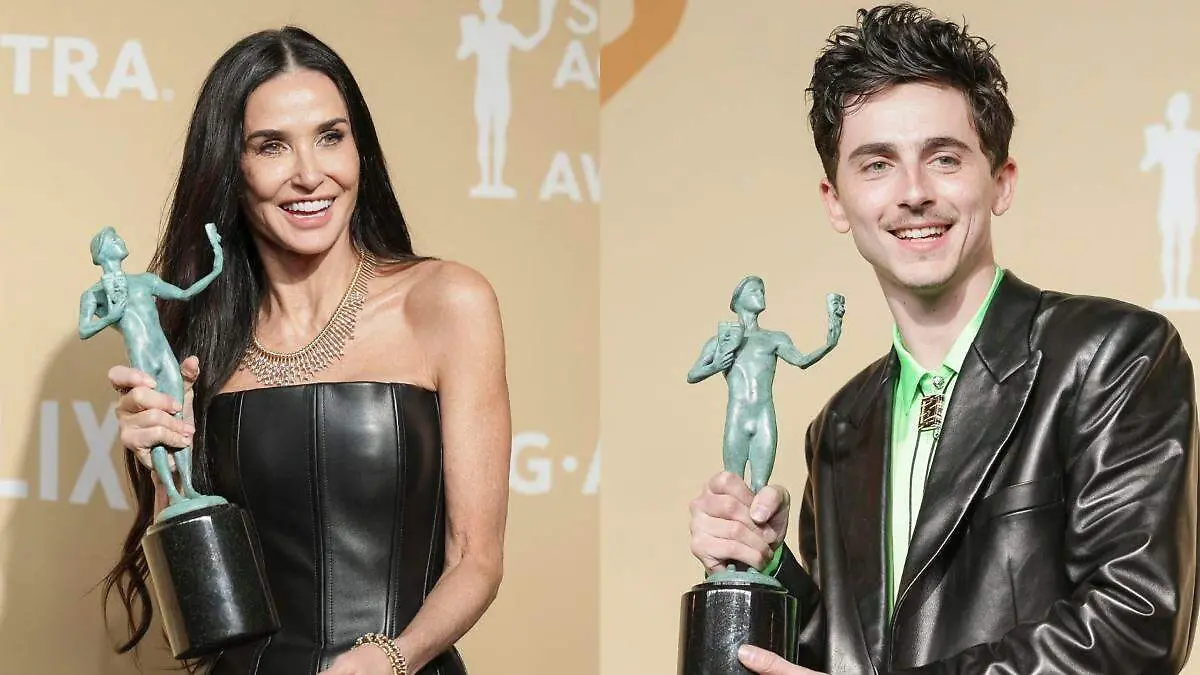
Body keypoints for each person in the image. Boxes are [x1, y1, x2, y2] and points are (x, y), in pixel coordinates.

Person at [688, 5, 1200, 674]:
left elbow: (1136, 623)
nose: (913, 193)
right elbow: (853, 657)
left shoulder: (1111, 355)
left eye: (944, 158)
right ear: (835, 201)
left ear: (1001, 181)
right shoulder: (839, 426)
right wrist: (768, 563)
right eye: (877, 164)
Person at [101, 26, 511, 675]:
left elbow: (476, 558)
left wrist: (392, 658)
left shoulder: (447, 302)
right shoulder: (195, 341)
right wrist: (163, 469)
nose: (310, 174)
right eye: (272, 146)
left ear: (359, 150)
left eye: (330, 136)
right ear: (231, 168)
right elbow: (201, 613)